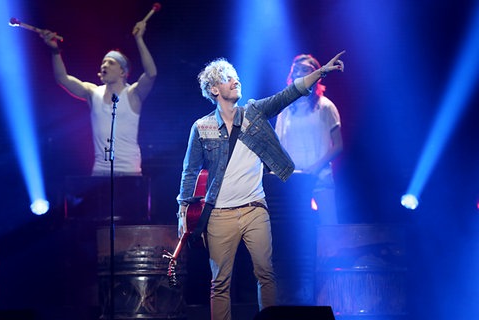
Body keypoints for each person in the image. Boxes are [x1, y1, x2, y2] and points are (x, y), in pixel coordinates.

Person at [176, 51, 345, 320]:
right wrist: (184, 209)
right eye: (228, 78)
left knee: (266, 274)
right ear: (213, 89)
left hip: (256, 209)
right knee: (220, 282)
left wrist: (321, 71)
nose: (235, 81)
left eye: (236, 77)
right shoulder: (202, 127)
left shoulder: (254, 112)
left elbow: (289, 93)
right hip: (219, 214)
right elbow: (190, 171)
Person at [40, 19, 157, 176]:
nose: (104, 65)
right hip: (100, 172)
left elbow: (151, 74)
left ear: (123, 72)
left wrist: (139, 39)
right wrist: (55, 51)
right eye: (103, 62)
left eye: (111, 63)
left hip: (129, 171)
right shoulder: (93, 92)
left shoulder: (133, 94)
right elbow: (62, 79)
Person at [275, 54, 343, 225]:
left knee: (329, 227)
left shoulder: (325, 106)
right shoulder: (285, 110)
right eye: (296, 69)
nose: (299, 72)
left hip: (320, 179)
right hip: (294, 181)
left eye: (305, 69)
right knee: (296, 229)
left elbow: (338, 145)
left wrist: (315, 168)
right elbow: (278, 145)